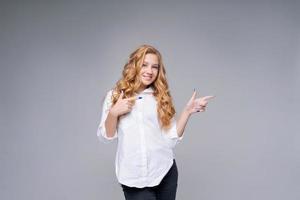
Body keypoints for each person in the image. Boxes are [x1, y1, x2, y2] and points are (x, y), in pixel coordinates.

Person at [97, 44, 215, 200]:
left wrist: (187, 112)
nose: (149, 71)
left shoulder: (159, 97)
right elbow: (106, 137)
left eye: (155, 67)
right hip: (134, 178)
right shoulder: (115, 96)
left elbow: (170, 140)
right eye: (144, 65)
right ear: (134, 65)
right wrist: (113, 113)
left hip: (165, 172)